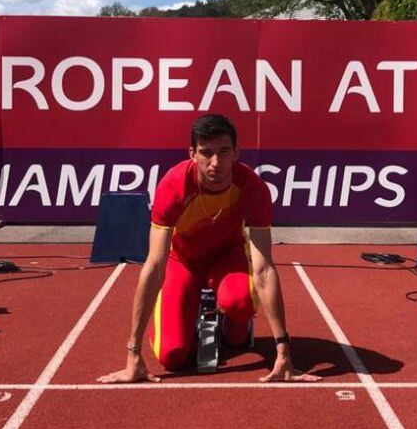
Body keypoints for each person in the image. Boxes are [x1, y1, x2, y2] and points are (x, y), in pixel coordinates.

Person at [98, 113, 319, 384]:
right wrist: (133, 353)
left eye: (224, 152)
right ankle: (189, 314)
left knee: (239, 312)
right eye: (206, 153)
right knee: (173, 356)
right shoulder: (173, 186)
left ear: (236, 152)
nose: (216, 163)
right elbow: (154, 267)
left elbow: (264, 269)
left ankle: (235, 324)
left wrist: (283, 351)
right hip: (182, 261)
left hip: (228, 256)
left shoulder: (252, 188)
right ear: (192, 154)